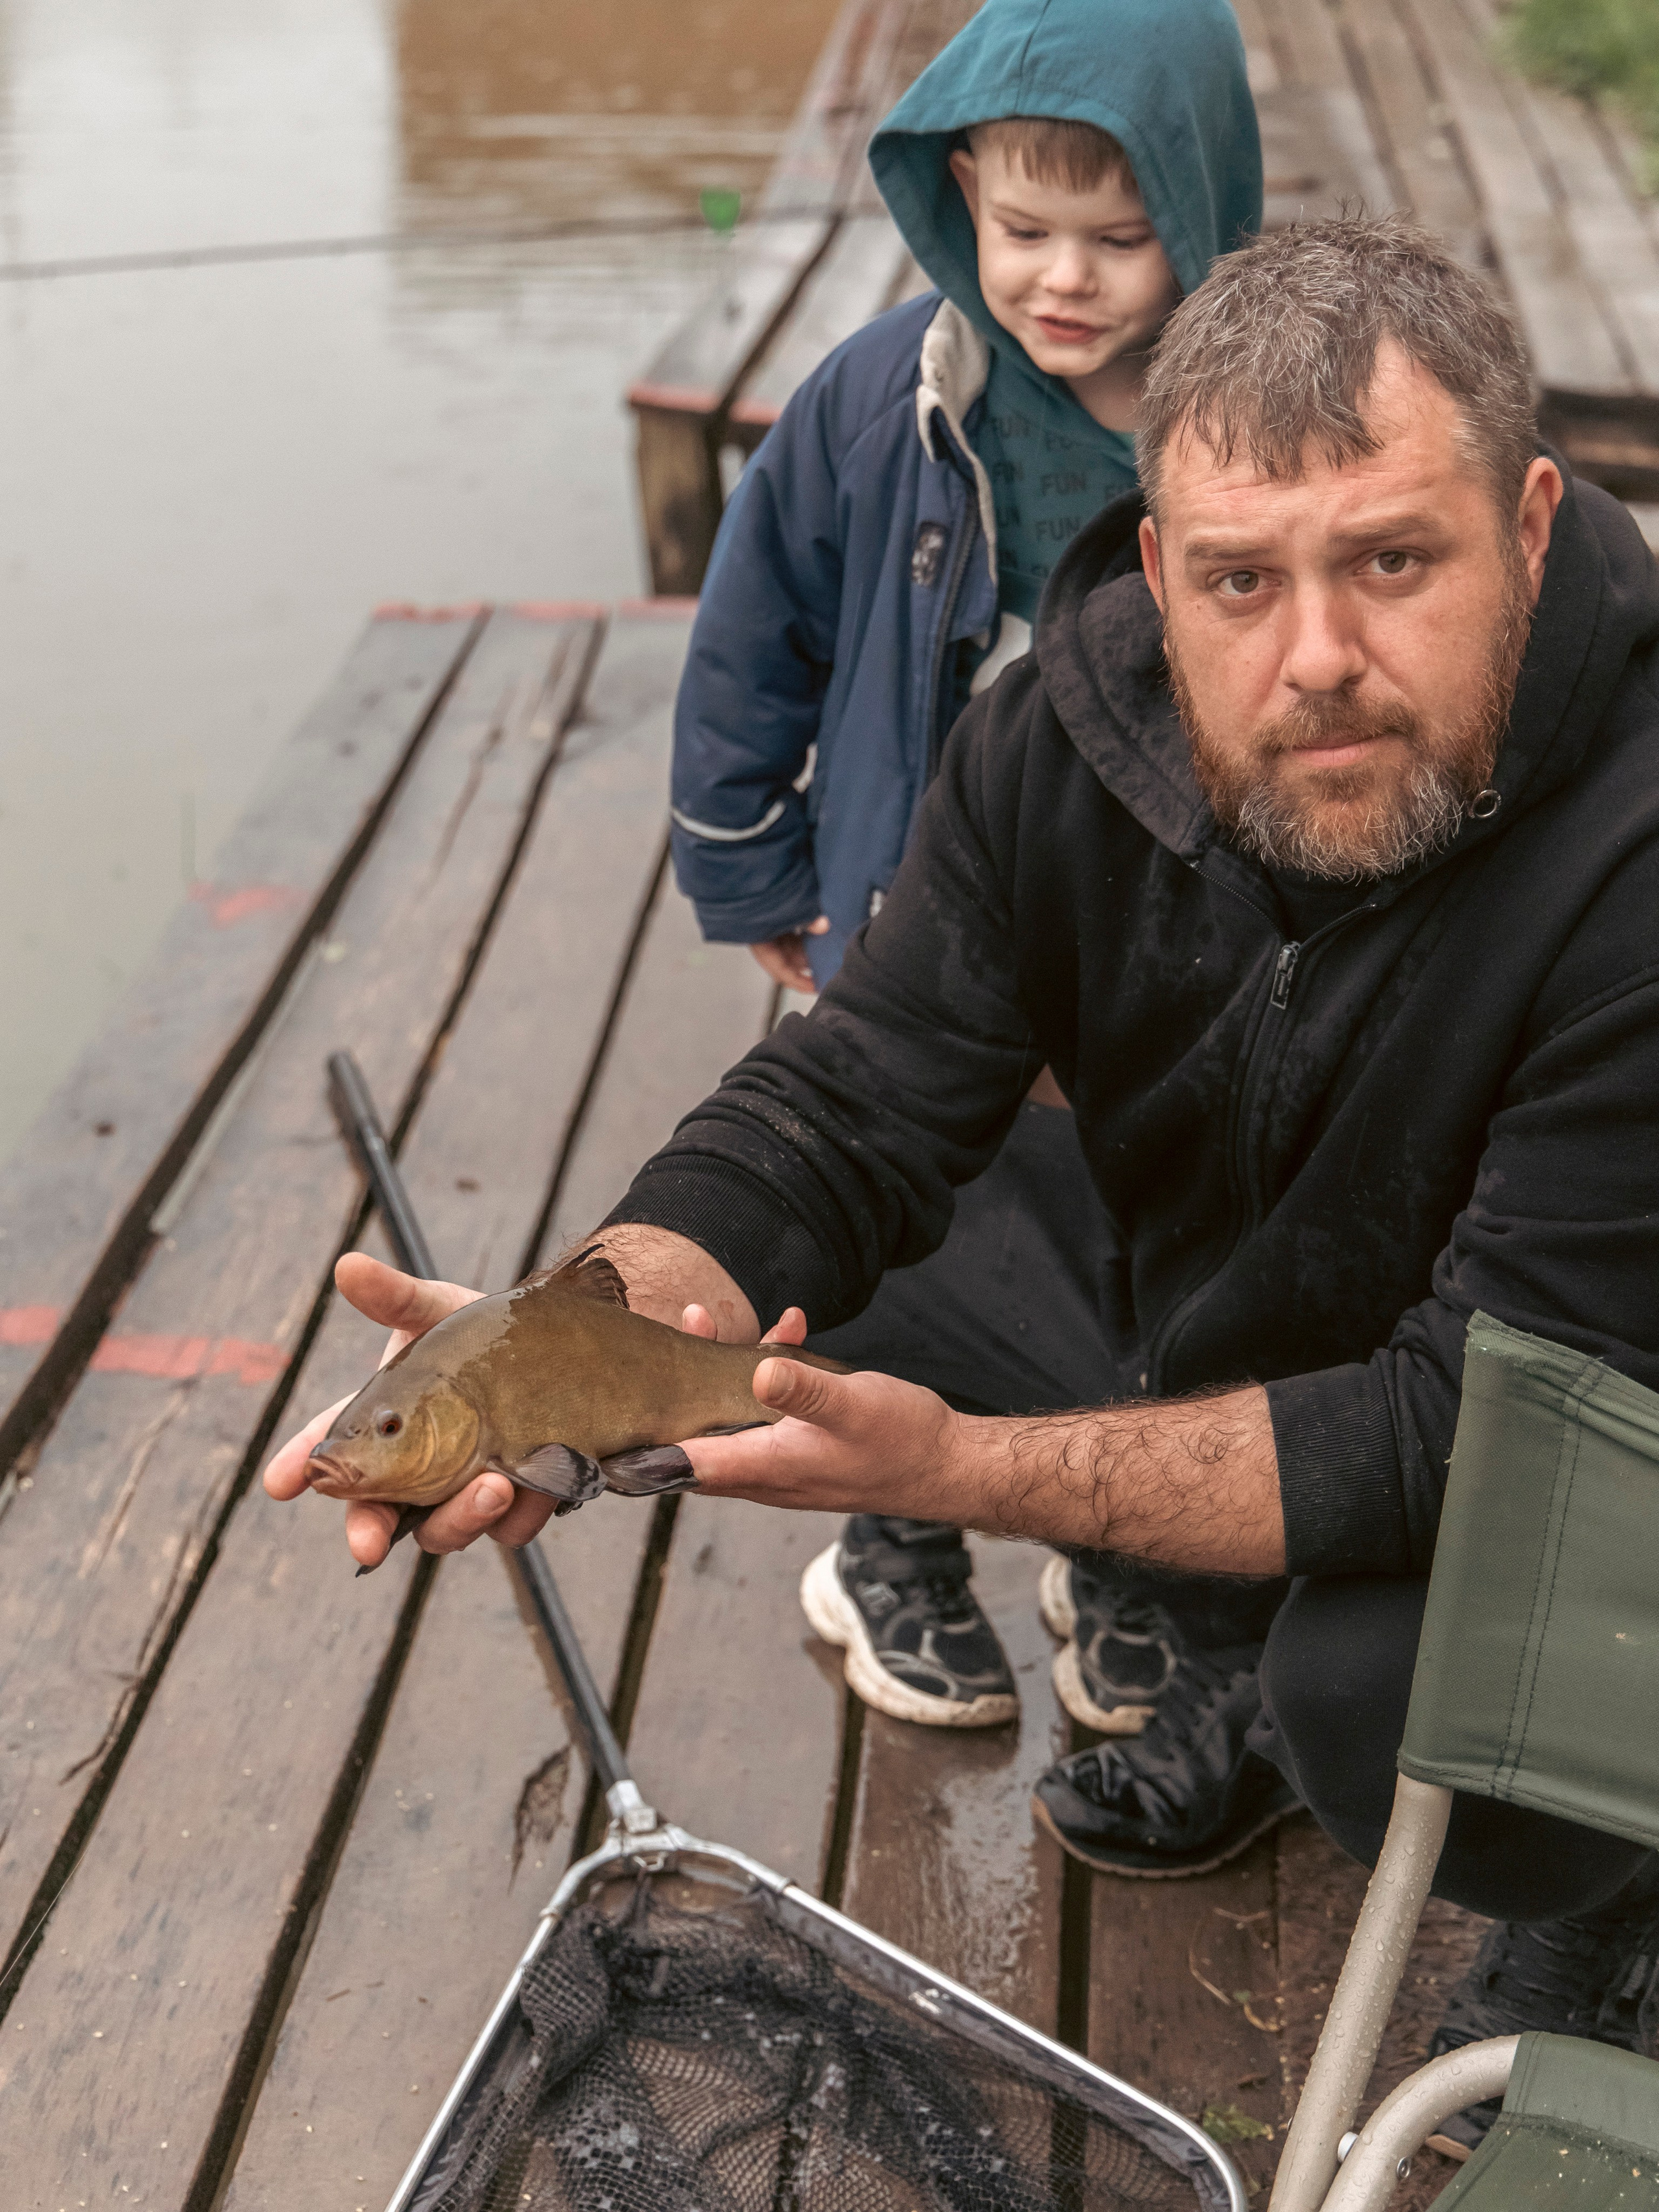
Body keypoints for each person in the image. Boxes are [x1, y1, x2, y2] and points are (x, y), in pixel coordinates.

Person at [268, 215, 1659, 2143]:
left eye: (1394, 562)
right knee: (837, 1271)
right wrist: (587, 1320)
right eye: (1242, 580)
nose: (1319, 659)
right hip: (1268, 1267)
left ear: (1529, 521)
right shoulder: (1058, 734)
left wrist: (962, 1475)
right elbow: (856, 1095)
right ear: (1159, 571)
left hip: (1583, 1409)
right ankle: (1225, 1633)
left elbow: (1462, 1426)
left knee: (1389, 1679)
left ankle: (1601, 1905)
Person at [667, 0, 1263, 1733]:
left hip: (1152, 946)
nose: (1060, 278)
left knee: (1134, 1246)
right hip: (913, 913)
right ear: (960, 207)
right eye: (1021, 230)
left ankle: (1117, 1534)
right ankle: (890, 1549)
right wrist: (750, 860)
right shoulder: (888, 398)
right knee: (899, 1234)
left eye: (1118, 238)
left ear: (1201, 214)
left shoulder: (1245, 431)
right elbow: (751, 633)